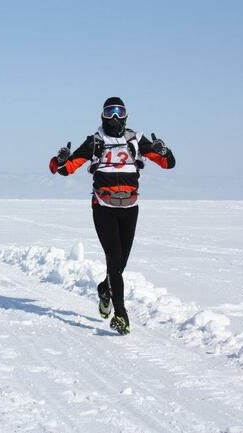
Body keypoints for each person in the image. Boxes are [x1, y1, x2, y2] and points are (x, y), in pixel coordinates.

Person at [48, 97, 176, 335]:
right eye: (110, 112)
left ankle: (105, 290)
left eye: (118, 112)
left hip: (130, 207)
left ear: (126, 116)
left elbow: (169, 164)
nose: (114, 118)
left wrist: (163, 150)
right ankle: (121, 314)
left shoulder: (134, 139)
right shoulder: (95, 141)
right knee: (114, 259)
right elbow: (64, 169)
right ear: (102, 116)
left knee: (121, 263)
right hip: (103, 207)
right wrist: (60, 159)